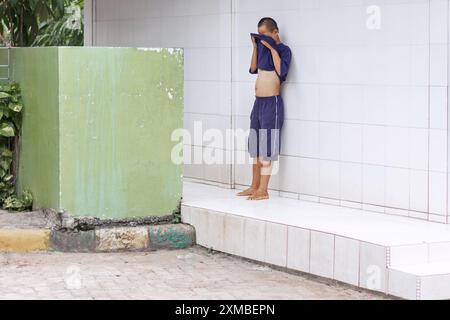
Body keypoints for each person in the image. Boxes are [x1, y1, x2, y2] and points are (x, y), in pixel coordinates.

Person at [237, 17, 292, 200]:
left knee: (268, 147)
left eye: (264, 35)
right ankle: (254, 186)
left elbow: (281, 72)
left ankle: (264, 189)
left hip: (272, 103)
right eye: (259, 35)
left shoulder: (284, 51)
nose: (262, 38)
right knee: (255, 146)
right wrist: (255, 47)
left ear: (275, 32)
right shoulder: (261, 48)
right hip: (258, 103)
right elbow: (253, 69)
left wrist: (271, 48)